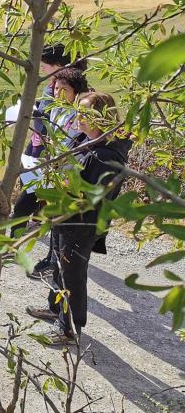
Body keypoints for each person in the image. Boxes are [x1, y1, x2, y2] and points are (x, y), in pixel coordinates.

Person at [25, 92, 133, 346]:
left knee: (72, 276)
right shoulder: (85, 140)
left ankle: (70, 329)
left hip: (81, 225)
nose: (78, 118)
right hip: (64, 218)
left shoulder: (107, 156)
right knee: (59, 269)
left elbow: (93, 196)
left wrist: (61, 186)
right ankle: (55, 309)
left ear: (100, 117)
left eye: (84, 113)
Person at [11, 44, 88, 239]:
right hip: (42, 162)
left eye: (63, 90)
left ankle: (49, 256)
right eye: (56, 89)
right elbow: (46, 115)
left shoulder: (81, 108)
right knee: (24, 206)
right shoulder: (53, 92)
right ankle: (13, 244)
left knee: (53, 218)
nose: (57, 93)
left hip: (59, 171)